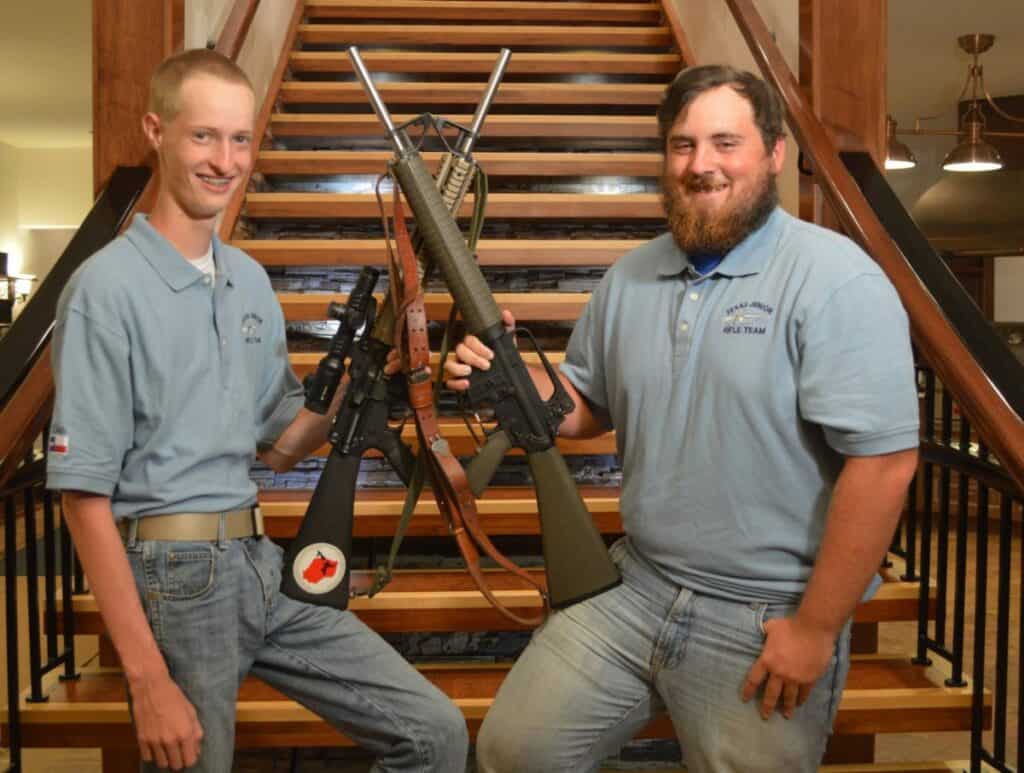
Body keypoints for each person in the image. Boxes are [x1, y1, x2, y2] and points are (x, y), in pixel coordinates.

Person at [445, 65, 920, 773]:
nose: (701, 165)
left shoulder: (835, 279)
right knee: (514, 748)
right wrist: (505, 376)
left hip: (767, 614)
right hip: (633, 584)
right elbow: (585, 406)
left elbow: (883, 464)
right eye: (682, 144)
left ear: (775, 153)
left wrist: (816, 627)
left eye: (726, 142)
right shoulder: (629, 276)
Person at [47, 49, 467, 773]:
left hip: (259, 564)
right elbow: (83, 497)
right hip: (172, 573)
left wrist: (373, 376)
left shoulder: (246, 280)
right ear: (157, 130)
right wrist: (147, 680)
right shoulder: (104, 289)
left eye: (240, 139)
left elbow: (278, 443)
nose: (226, 159)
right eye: (204, 136)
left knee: (433, 731)